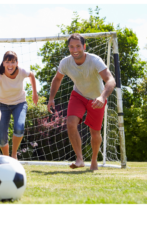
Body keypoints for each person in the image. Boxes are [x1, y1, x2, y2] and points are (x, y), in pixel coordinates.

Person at [47, 34, 116, 170]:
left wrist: (102, 97)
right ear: (68, 48)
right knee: (70, 123)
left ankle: (94, 160)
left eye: (78, 46)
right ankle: (79, 159)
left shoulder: (95, 60)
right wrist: (51, 98)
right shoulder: (65, 62)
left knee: (95, 133)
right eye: (72, 47)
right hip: (78, 95)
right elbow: (57, 79)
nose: (75, 49)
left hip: (97, 98)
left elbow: (111, 80)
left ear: (84, 47)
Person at [0, 51, 38, 159]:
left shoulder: (21, 71)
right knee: (2, 138)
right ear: (3, 63)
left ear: (17, 63)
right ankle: (7, 159)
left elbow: (31, 75)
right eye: (7, 62)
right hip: (2, 105)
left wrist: (35, 93)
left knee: (19, 128)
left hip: (19, 103)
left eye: (12, 62)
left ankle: (14, 154)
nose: (10, 65)